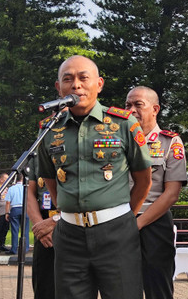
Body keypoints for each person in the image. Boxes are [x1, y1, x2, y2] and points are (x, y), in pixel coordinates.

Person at [35, 55, 152, 299]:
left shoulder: (124, 124)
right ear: (59, 88)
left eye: (83, 78)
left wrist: (124, 217)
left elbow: (143, 180)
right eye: (67, 79)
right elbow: (50, 179)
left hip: (116, 232)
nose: (75, 85)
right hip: (68, 236)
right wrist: (69, 210)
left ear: (99, 84)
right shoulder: (49, 129)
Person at [125, 86, 187, 299]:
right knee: (121, 288)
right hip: (119, 223)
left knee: (157, 289)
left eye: (138, 105)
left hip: (154, 223)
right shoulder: (117, 142)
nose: (131, 110)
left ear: (155, 109)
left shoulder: (170, 142)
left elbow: (171, 194)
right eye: (128, 105)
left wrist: (137, 224)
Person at [27, 154, 57, 299]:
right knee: (43, 287)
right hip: (43, 225)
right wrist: (40, 225)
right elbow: (30, 194)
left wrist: (56, 221)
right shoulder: (36, 156)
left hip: (72, 222)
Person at [5, 175, 29, 255]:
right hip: (25, 208)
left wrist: (7, 212)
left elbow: (8, 202)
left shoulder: (11, 189)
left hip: (15, 209)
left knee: (14, 230)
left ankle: (14, 249)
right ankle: (25, 249)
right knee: (25, 230)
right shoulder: (27, 188)